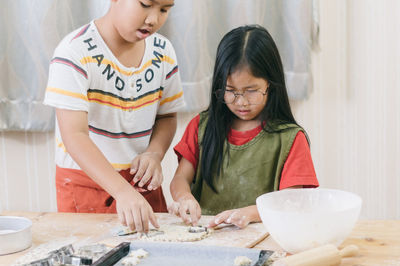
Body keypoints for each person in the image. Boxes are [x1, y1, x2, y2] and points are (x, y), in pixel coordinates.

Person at [44, 0, 185, 233]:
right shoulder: (74, 52)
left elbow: (167, 116)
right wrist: (121, 191)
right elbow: (74, 135)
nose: (153, 19)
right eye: (145, 4)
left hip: (141, 184)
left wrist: (154, 153)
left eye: (164, 10)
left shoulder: (163, 52)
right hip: (86, 187)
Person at [169, 25, 319, 229]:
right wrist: (184, 197)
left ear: (271, 85)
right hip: (205, 239)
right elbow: (179, 179)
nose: (241, 102)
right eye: (231, 91)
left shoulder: (290, 139)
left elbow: (289, 202)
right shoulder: (201, 127)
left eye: (251, 91)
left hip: (262, 240)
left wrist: (249, 213)